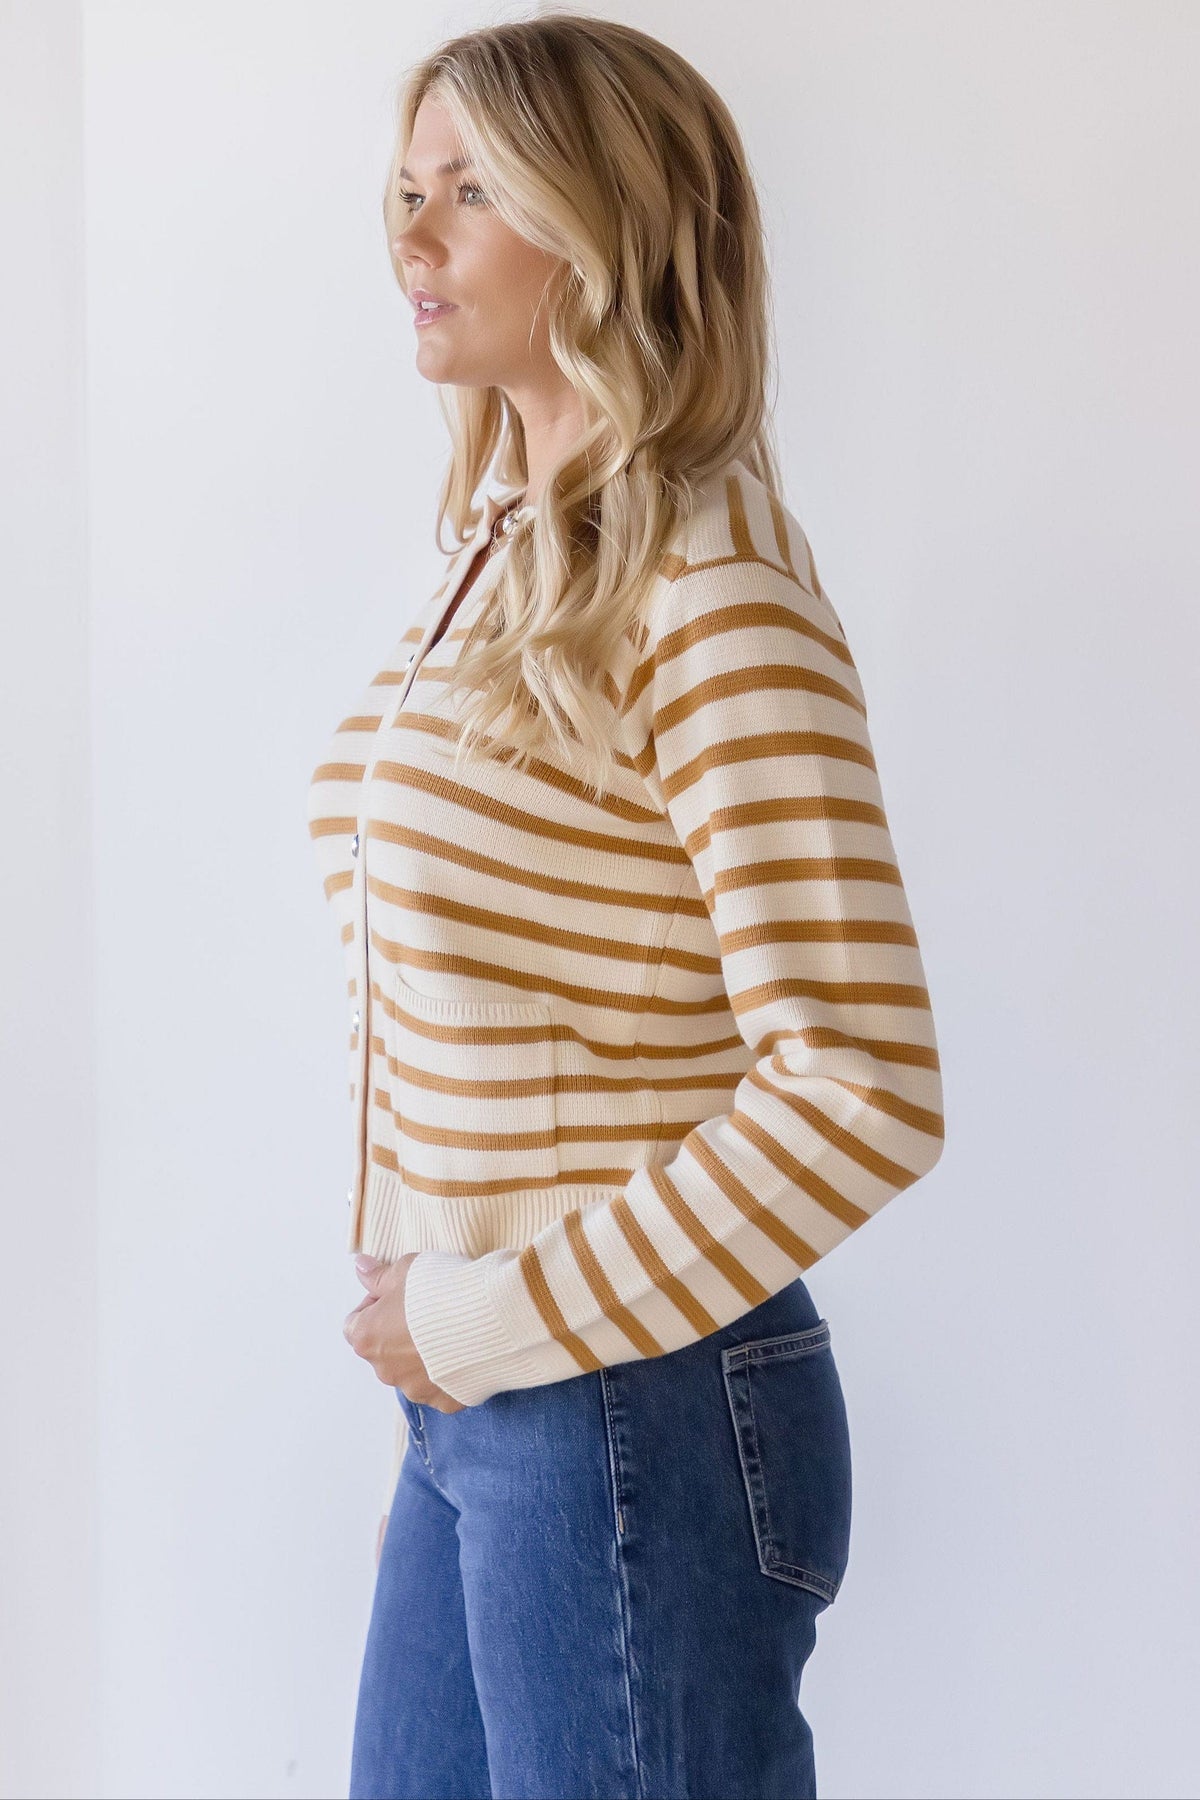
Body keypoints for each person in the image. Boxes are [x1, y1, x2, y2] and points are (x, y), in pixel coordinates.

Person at [306, 15, 945, 1799]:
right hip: (486, 1399)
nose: (414, 235)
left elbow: (862, 1086)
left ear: (608, 227)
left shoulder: (708, 583)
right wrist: (444, 1319)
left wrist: (485, 1317)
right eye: (406, 190)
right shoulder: (511, 559)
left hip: (628, 1406)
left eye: (474, 190)